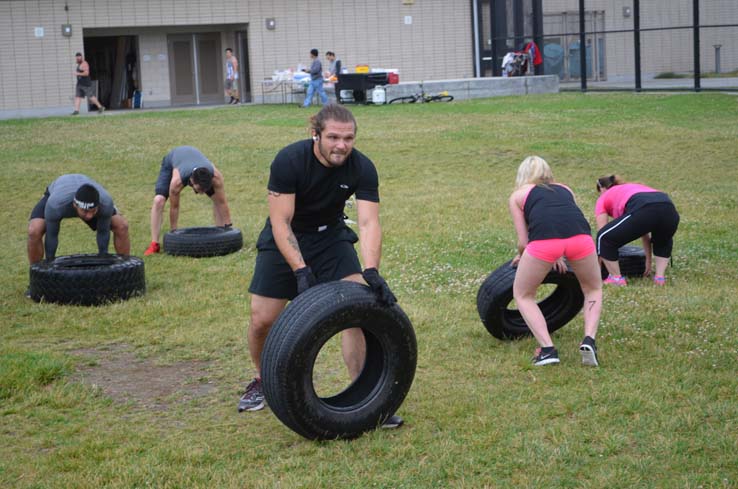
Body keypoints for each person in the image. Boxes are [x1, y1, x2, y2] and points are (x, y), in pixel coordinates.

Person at [238, 104, 402, 428]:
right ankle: (262, 379)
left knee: (355, 306)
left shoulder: (362, 167)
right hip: (284, 238)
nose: (341, 145)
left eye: (348, 138)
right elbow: (281, 222)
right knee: (262, 319)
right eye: (333, 137)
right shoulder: (289, 160)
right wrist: (300, 270)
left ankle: (366, 393)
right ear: (315, 134)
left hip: (331, 238)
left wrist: (371, 271)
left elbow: (369, 223)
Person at [509, 156, 603, 366]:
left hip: (543, 243)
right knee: (593, 289)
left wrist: (525, 256)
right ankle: (589, 340)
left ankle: (547, 350)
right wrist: (557, 255)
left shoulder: (518, 195)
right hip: (581, 239)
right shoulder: (565, 189)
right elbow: (564, 219)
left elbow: (524, 242)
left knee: (523, 295)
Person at [144, 146, 232, 256]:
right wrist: (174, 237)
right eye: (199, 190)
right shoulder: (177, 182)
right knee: (159, 200)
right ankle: (154, 244)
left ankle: (221, 233)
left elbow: (222, 203)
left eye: (204, 190)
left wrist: (229, 232)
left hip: (192, 159)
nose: (201, 193)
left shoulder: (216, 178)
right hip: (172, 160)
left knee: (217, 199)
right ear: (192, 181)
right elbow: (174, 207)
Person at [27, 174, 130, 265]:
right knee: (34, 230)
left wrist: (104, 263)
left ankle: (126, 271)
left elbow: (103, 232)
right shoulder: (56, 204)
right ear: (74, 205)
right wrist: (49, 266)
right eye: (85, 211)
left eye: (93, 211)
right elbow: (52, 235)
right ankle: (35, 276)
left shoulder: (105, 202)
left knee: (122, 225)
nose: (89, 216)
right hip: (58, 191)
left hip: (90, 192)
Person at [595, 175, 680, 286]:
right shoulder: (631, 188)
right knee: (663, 240)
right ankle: (659, 278)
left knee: (604, 237)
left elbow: (602, 235)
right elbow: (643, 231)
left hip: (644, 207)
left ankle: (616, 279)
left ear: (602, 189)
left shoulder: (603, 197)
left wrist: (597, 270)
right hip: (668, 207)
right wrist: (647, 261)